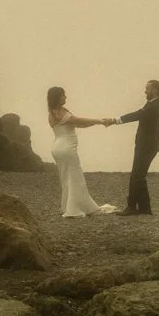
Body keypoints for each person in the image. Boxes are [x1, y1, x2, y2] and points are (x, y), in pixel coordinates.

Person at [46, 86, 119, 218]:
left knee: (67, 178)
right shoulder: (60, 112)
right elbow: (79, 121)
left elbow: (79, 124)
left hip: (58, 148)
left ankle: (70, 206)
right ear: (57, 97)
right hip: (66, 148)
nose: (65, 97)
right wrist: (99, 121)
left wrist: (98, 123)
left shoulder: (53, 113)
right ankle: (74, 209)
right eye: (63, 95)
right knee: (75, 176)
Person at [116, 79, 159, 215]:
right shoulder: (152, 104)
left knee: (136, 176)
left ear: (155, 90)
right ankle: (145, 208)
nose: (145, 91)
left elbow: (138, 115)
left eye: (147, 89)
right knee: (140, 175)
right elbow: (140, 113)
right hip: (146, 145)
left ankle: (131, 207)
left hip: (147, 146)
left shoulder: (154, 106)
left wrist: (115, 120)